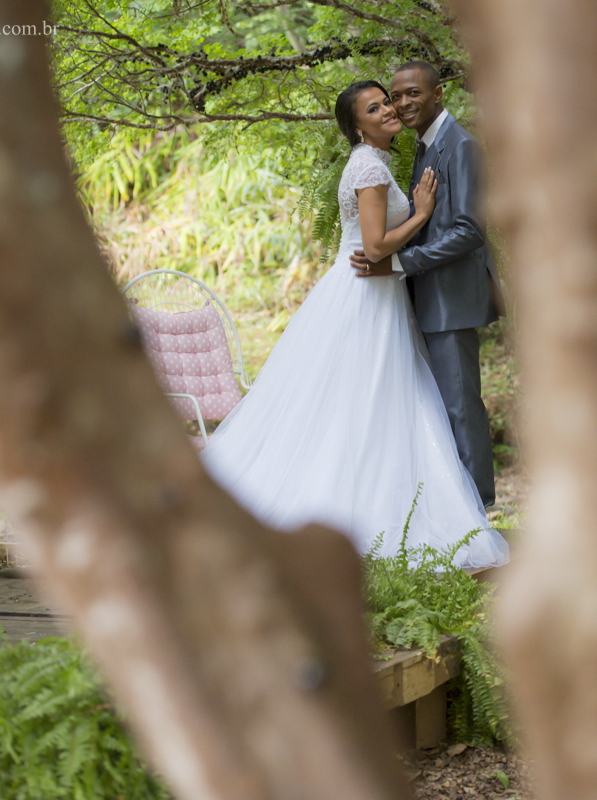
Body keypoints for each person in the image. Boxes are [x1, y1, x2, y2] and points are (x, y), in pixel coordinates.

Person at [198, 80, 509, 570]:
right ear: (357, 126)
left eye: (387, 101)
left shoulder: (382, 161)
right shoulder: (367, 164)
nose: (389, 109)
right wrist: (423, 212)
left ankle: (375, 504)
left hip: (380, 294)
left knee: (375, 401)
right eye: (375, 107)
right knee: (360, 402)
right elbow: (376, 245)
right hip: (365, 291)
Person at [350, 61, 501, 509]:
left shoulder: (462, 146)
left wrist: (398, 262)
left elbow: (470, 230)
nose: (403, 103)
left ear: (439, 94)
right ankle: (456, 510)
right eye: (396, 96)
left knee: (460, 406)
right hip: (426, 297)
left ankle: (478, 514)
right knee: (441, 408)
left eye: (413, 93)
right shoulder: (423, 145)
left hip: (452, 298)